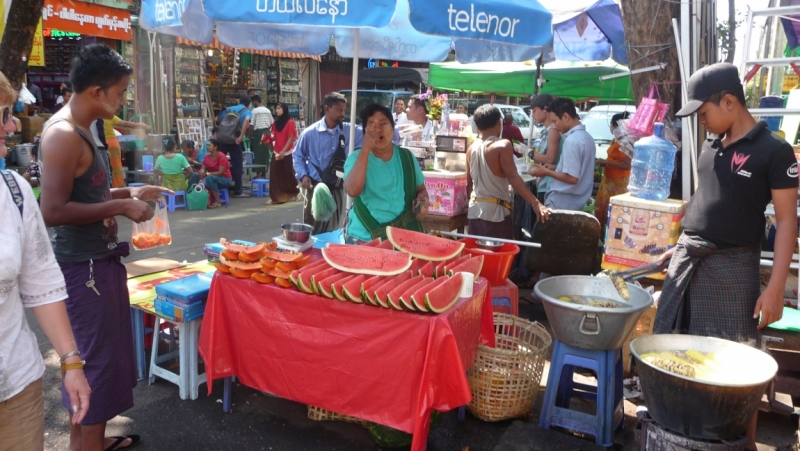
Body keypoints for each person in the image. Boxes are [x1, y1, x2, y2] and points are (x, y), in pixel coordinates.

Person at [653, 63, 798, 451]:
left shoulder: (775, 151)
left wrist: (776, 286)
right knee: (677, 350)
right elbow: (708, 200)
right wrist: (682, 242)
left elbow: (787, 221)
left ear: (729, 101)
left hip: (733, 267)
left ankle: (742, 444)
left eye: (704, 113)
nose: (701, 122)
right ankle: (684, 432)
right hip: (689, 259)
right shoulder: (711, 143)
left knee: (736, 361)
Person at [39, 44, 170, 451]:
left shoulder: (85, 128)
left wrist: (130, 190)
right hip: (83, 272)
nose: (122, 100)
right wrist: (120, 205)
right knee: (93, 370)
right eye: (119, 92)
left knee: (102, 367)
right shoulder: (62, 135)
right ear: (96, 92)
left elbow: (89, 191)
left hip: (99, 263)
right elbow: (53, 210)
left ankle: (87, 444)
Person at [0, 70, 91, 451]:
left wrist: (71, 362)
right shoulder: (63, 134)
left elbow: (40, 281)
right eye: (4, 114)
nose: (13, 124)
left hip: (16, 383)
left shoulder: (14, 192)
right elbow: (58, 207)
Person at [343, 103, 428, 242]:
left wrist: (423, 199)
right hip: (365, 238)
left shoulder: (407, 157)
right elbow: (352, 190)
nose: (378, 129)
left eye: (383, 123)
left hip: (403, 238)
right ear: (365, 132)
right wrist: (365, 149)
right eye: (372, 124)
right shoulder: (355, 158)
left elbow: (421, 189)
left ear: (393, 128)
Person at [466, 104, 550, 239]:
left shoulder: (471, 149)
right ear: (499, 123)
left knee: (479, 256)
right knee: (501, 257)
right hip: (495, 214)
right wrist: (535, 203)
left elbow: (468, 185)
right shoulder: (502, 145)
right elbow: (513, 178)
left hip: (474, 211)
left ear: (478, 127)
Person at [294, 92, 363, 234]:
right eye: (339, 110)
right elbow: (297, 155)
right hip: (315, 187)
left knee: (335, 228)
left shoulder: (350, 130)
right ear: (327, 109)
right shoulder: (310, 133)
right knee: (313, 229)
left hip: (337, 187)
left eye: (344, 110)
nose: (342, 113)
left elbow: (369, 135)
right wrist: (303, 175)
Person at [529, 97, 596, 211]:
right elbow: (577, 170)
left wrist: (546, 171)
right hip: (574, 203)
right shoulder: (587, 138)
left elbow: (572, 178)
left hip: (562, 203)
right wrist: (555, 168)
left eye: (555, 121)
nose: (554, 126)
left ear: (565, 116)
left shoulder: (573, 140)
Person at [594, 112, 632, 227]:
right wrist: (604, 162)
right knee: (601, 210)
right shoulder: (615, 139)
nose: (610, 127)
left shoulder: (624, 142)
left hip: (619, 183)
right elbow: (613, 159)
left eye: (611, 124)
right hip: (608, 180)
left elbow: (627, 164)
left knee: (614, 214)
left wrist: (607, 162)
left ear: (616, 125)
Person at [528, 94, 562, 205]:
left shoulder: (553, 130)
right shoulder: (546, 131)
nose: (533, 115)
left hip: (550, 186)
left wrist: (529, 152)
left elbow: (550, 159)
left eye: (534, 110)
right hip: (544, 184)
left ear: (545, 109)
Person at [217, 95, 252, 197]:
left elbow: (218, 119)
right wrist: (241, 136)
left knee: (219, 162)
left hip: (222, 139)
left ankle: (217, 188)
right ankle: (238, 191)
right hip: (234, 140)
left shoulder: (229, 109)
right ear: (248, 104)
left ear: (239, 101)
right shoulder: (246, 111)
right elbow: (246, 120)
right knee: (237, 164)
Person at [102, 113, 149, 188]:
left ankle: (108, 186)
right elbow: (126, 124)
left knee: (104, 166)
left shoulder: (95, 118)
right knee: (116, 165)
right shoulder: (109, 116)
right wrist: (140, 125)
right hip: (112, 143)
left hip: (102, 144)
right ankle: (117, 185)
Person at [267, 102, 300, 205]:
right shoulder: (275, 123)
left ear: (284, 110)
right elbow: (274, 137)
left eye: (279, 108)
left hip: (287, 151)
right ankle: (274, 197)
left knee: (289, 173)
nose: (277, 110)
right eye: (276, 108)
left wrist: (283, 151)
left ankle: (296, 192)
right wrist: (267, 141)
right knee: (274, 174)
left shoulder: (290, 122)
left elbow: (291, 138)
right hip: (277, 151)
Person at [198, 138, 233, 208]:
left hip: (225, 179)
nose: (207, 147)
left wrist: (207, 174)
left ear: (215, 147)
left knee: (209, 178)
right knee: (194, 175)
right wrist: (201, 170)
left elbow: (221, 173)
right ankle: (197, 199)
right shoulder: (207, 156)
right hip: (213, 177)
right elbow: (203, 167)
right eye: (207, 145)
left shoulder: (221, 156)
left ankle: (217, 201)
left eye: (209, 145)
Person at [250, 95, 274, 172]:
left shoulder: (254, 111)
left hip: (258, 134)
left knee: (257, 153)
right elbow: (272, 123)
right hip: (267, 133)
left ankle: (258, 174)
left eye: (253, 102)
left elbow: (251, 124)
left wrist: (249, 135)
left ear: (255, 101)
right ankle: (264, 172)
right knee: (265, 154)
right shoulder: (268, 110)